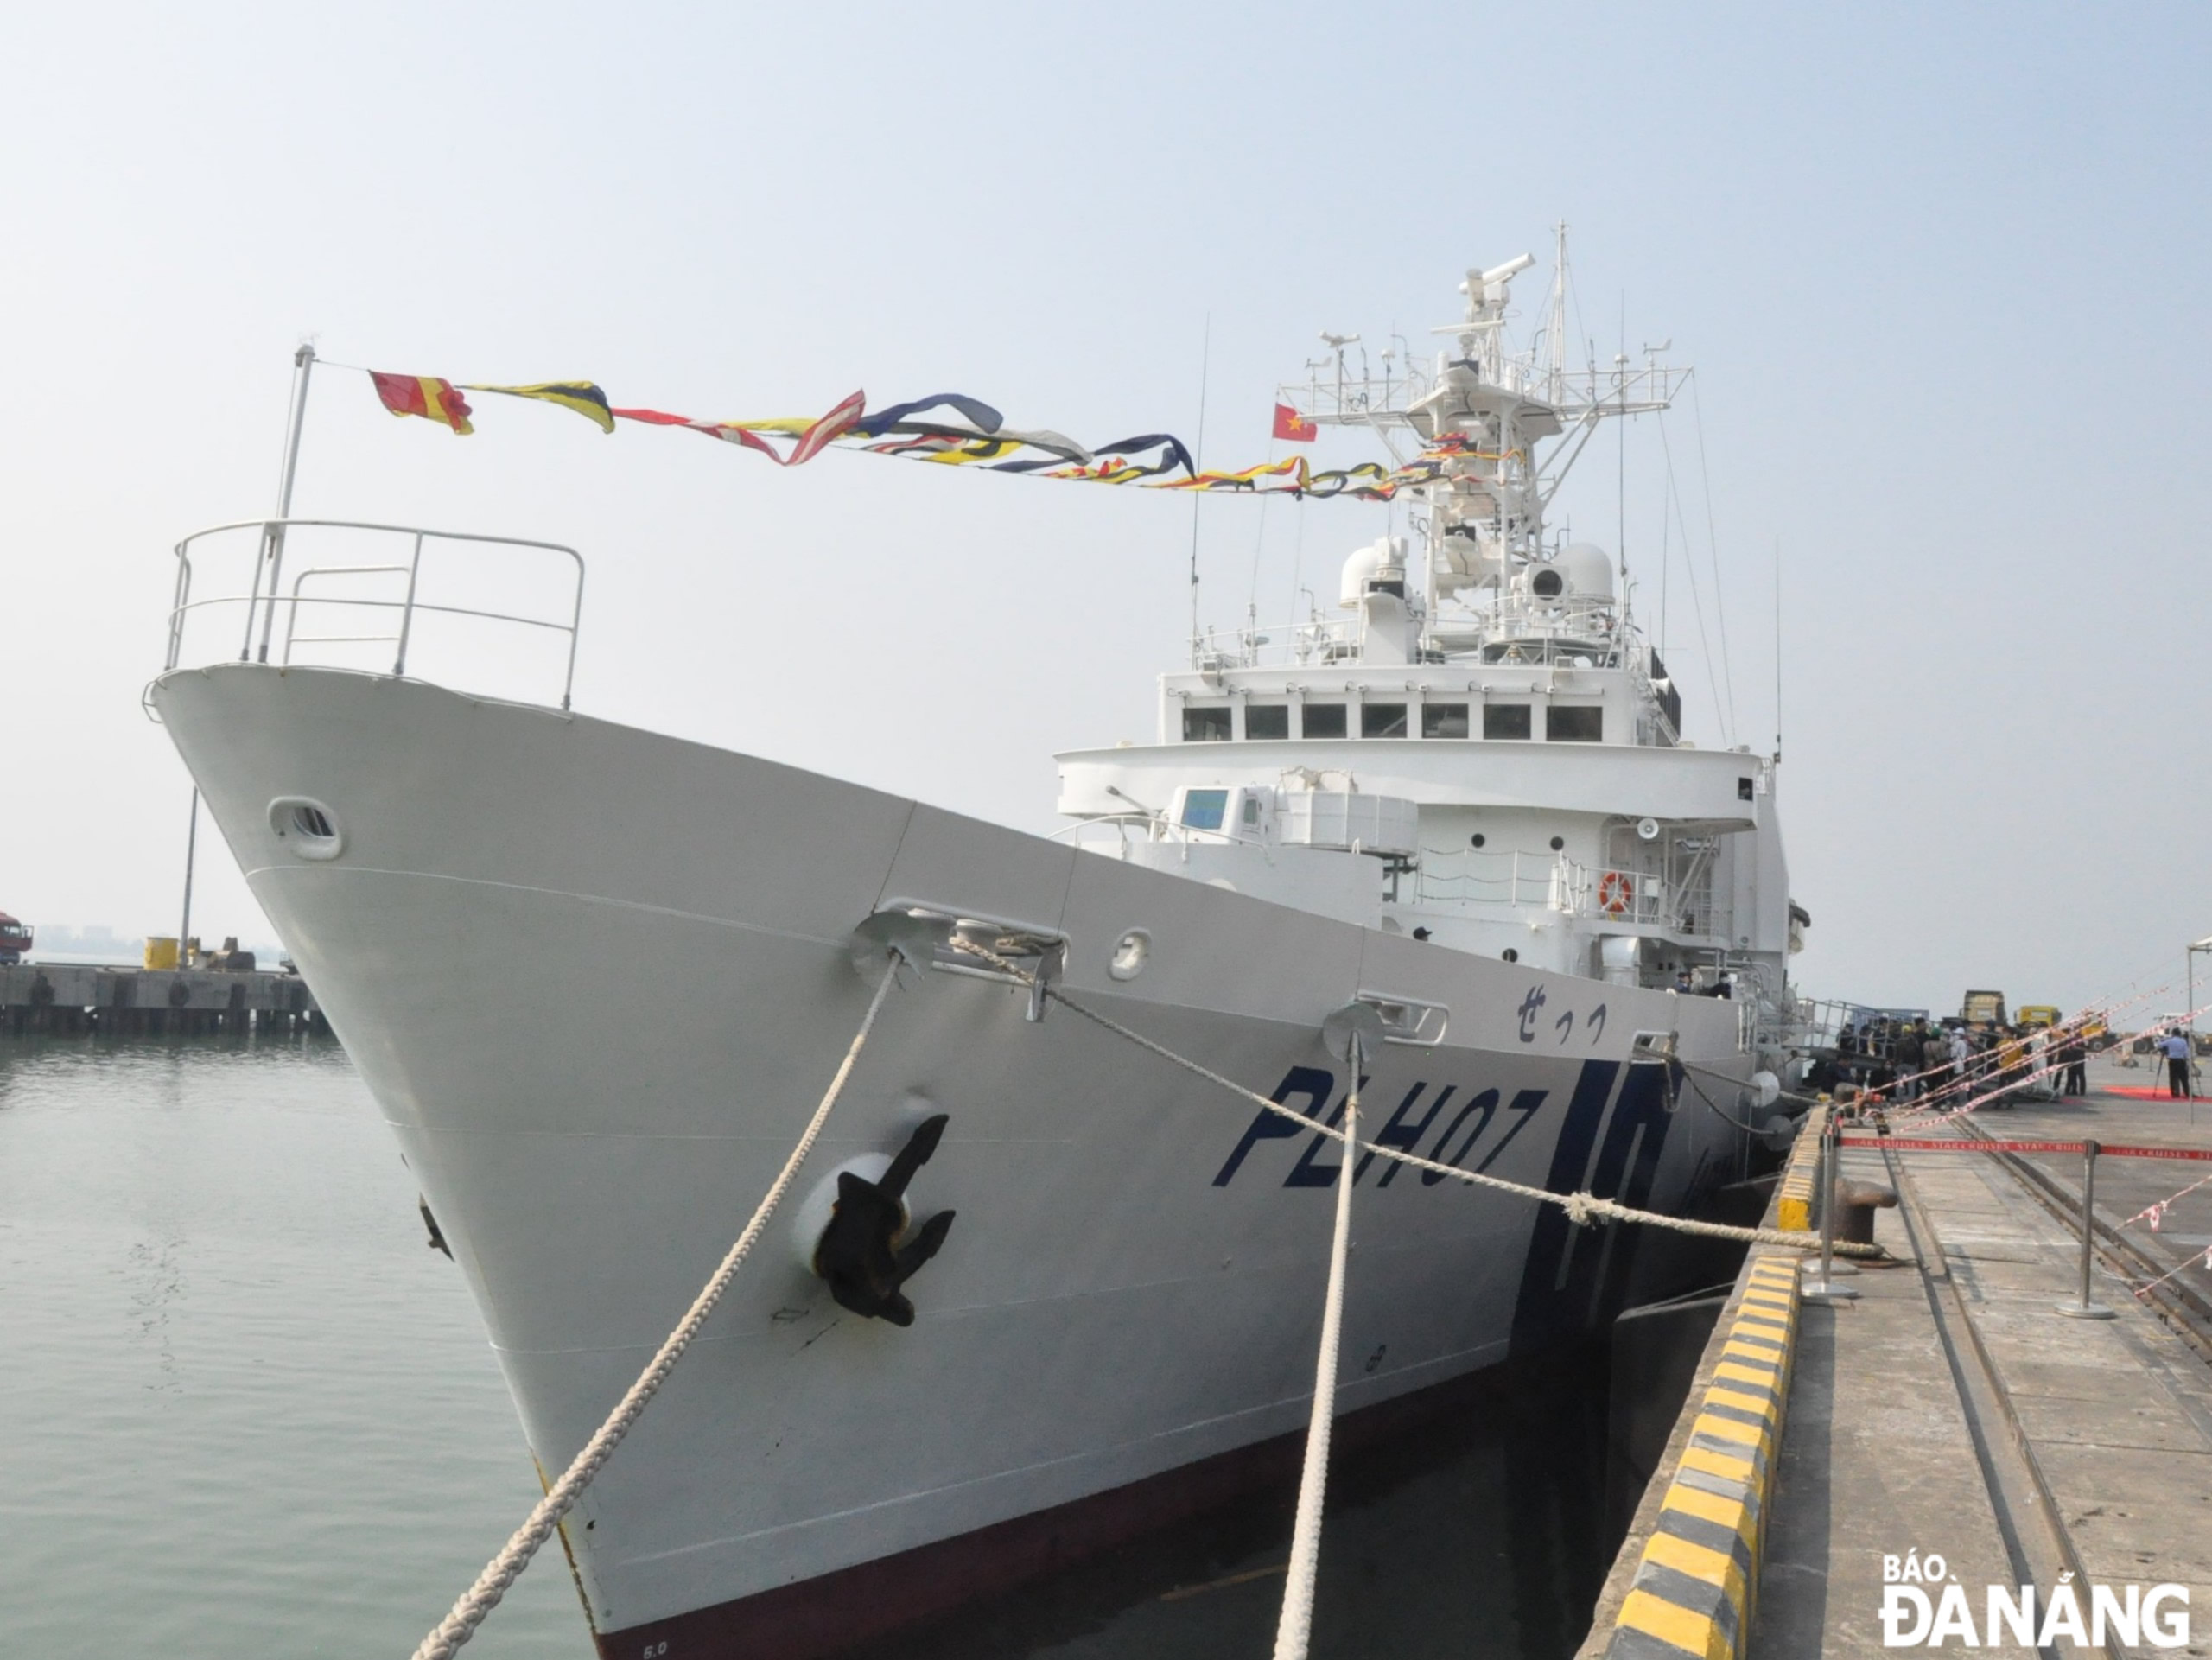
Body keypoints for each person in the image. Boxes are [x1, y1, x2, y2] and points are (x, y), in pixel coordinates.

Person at [2162, 1027, 2194, 1100]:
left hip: (2173, 1061)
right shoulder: (2183, 1041)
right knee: (2184, 1078)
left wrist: (2162, 1041)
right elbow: (2186, 1052)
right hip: (2181, 1061)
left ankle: (2175, 1093)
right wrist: (2187, 1059)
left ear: (2172, 1034)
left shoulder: (2169, 1041)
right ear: (2180, 1034)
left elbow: (2159, 1045)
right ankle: (2187, 1092)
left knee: (2173, 1077)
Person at [2061, 1027, 2088, 1097]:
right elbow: (2066, 1047)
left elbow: (2086, 1048)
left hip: (2080, 1058)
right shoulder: (2070, 1039)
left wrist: (2076, 1048)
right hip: (2071, 1058)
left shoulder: (2083, 1039)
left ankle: (2082, 1091)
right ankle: (2072, 1090)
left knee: (2080, 1075)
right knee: (2071, 1075)